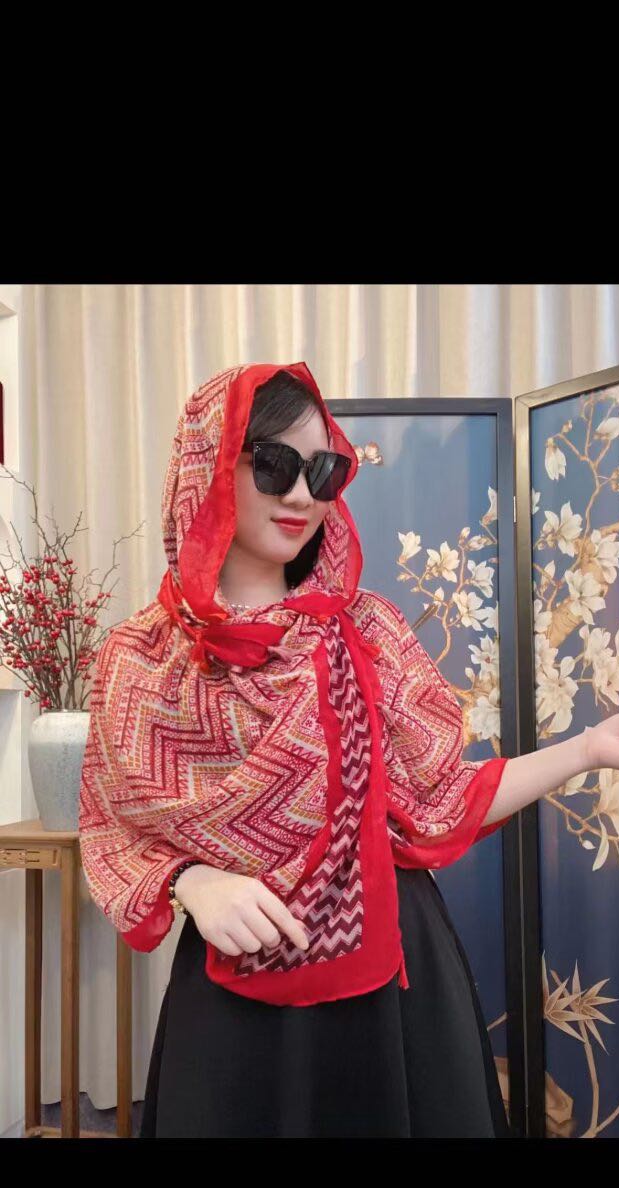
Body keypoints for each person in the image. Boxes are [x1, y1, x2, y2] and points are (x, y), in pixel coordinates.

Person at [78, 360, 515, 1138]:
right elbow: (115, 829)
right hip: (235, 993)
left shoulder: (368, 632)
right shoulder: (142, 662)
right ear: (209, 465)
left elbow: (446, 800)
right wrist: (193, 879)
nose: (303, 495)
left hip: (393, 980)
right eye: (276, 464)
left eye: (324, 471)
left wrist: (591, 747)